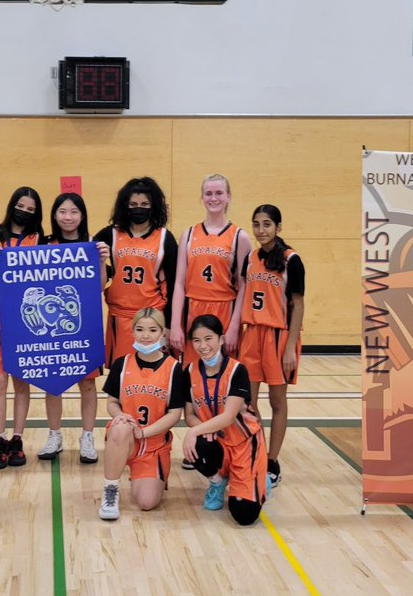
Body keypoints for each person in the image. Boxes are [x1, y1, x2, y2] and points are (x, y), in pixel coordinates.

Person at [167, 174, 250, 471]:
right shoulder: (189, 233)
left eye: (218, 193)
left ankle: (231, 445)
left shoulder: (239, 236)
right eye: (208, 193)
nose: (213, 198)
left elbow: (243, 285)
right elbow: (178, 284)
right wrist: (176, 324)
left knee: (224, 382)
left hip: (224, 312)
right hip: (193, 314)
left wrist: (233, 327)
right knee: (196, 384)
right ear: (201, 197)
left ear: (228, 196)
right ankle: (200, 444)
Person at [234, 205, 305, 490]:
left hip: (279, 336)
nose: (261, 230)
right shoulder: (250, 258)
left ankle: (272, 461)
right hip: (252, 335)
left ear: (278, 226)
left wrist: (290, 349)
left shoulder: (292, 260)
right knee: (248, 404)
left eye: (266, 224)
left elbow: (298, 305)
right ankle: (255, 454)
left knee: (277, 402)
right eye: (256, 224)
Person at [0, 187, 44, 469]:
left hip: (24, 323)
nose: (24, 212)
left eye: (30, 209)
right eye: (20, 206)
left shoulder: (39, 240)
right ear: (11, 205)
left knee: (21, 383)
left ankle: (17, 438)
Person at [39, 192, 110, 464]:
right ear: (55, 215)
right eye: (62, 212)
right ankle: (54, 435)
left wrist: (102, 261)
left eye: (73, 212)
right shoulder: (44, 245)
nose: (68, 217)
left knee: (88, 384)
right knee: (52, 383)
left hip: (85, 325)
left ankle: (88, 437)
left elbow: (100, 285)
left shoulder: (93, 245)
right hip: (53, 327)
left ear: (82, 215)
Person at [180, 315, 267, 526]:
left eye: (208, 338)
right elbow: (189, 414)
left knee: (244, 515)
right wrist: (198, 430)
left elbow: (228, 417)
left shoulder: (238, 370)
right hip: (217, 441)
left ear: (221, 339)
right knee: (196, 447)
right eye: (197, 340)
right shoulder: (189, 372)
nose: (203, 346)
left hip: (244, 443)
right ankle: (217, 482)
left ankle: (257, 479)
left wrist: (194, 431)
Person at [99, 308, 184, 521]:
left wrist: (143, 432)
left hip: (153, 444)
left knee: (147, 503)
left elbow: (174, 414)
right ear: (133, 332)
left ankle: (154, 473)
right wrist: (121, 416)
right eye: (140, 329)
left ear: (162, 333)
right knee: (119, 427)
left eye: (152, 330)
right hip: (126, 438)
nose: (146, 335)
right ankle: (111, 491)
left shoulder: (174, 369)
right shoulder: (122, 363)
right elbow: (111, 403)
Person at [93, 177, 179, 366]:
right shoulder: (111, 234)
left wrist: (170, 324)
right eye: (133, 204)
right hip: (121, 317)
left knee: (155, 375)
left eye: (144, 204)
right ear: (125, 206)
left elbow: (174, 285)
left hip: (153, 316)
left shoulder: (165, 237)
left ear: (154, 206)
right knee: (123, 375)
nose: (138, 209)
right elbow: (84, 258)